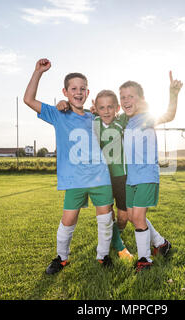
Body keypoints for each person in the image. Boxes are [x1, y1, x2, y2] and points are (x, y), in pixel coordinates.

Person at [23, 58, 115, 275]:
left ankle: (103, 256)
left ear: (88, 91)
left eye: (82, 88)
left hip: (100, 176)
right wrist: (38, 72)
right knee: (68, 218)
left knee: (105, 218)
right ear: (65, 91)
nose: (78, 92)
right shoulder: (58, 114)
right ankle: (62, 258)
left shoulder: (95, 117)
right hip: (75, 179)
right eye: (73, 88)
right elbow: (28, 99)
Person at [57, 90, 133, 261]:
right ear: (96, 109)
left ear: (116, 108)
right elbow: (75, 111)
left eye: (110, 107)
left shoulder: (121, 120)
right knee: (108, 213)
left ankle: (115, 237)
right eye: (102, 108)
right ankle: (119, 245)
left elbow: (137, 109)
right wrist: (63, 103)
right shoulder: (92, 120)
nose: (106, 111)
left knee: (123, 217)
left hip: (120, 175)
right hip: (100, 176)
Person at [119, 71, 183, 272]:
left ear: (141, 99)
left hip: (147, 175)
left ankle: (145, 260)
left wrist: (173, 94)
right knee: (131, 217)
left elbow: (170, 114)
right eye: (123, 97)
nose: (126, 100)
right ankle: (162, 244)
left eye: (131, 96)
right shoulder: (124, 121)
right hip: (131, 178)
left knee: (138, 218)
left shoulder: (147, 118)